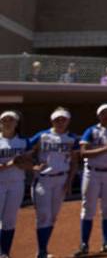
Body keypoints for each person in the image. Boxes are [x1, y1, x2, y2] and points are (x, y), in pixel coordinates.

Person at [29, 107, 78, 258]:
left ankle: (43, 249)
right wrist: (33, 166)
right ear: (52, 120)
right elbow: (26, 151)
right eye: (57, 119)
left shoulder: (72, 138)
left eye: (63, 119)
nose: (60, 122)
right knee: (43, 216)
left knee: (52, 216)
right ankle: (42, 251)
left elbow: (74, 162)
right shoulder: (42, 135)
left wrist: (70, 182)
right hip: (43, 179)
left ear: (68, 121)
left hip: (61, 179)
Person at [76, 104, 107, 255]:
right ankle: (84, 244)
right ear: (98, 115)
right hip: (92, 173)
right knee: (88, 208)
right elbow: (83, 153)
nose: (106, 115)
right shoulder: (91, 131)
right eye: (103, 113)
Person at [0, 111, 30, 257]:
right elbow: (12, 163)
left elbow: (29, 162)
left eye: (11, 120)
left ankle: (5, 252)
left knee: (10, 220)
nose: (7, 122)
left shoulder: (23, 141)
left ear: (16, 123)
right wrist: (11, 163)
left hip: (17, 183)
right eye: (4, 120)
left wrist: (27, 164)